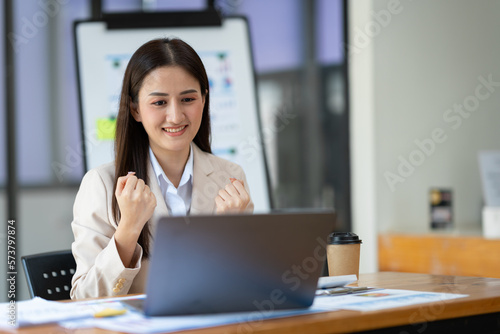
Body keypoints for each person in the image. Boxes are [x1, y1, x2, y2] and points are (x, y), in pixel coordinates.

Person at [70, 38, 254, 299]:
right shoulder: (102, 184)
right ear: (135, 109)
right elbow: (84, 298)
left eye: (188, 99)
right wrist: (129, 229)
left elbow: (249, 287)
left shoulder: (230, 177)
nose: (176, 116)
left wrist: (229, 235)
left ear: (204, 99)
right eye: (159, 103)